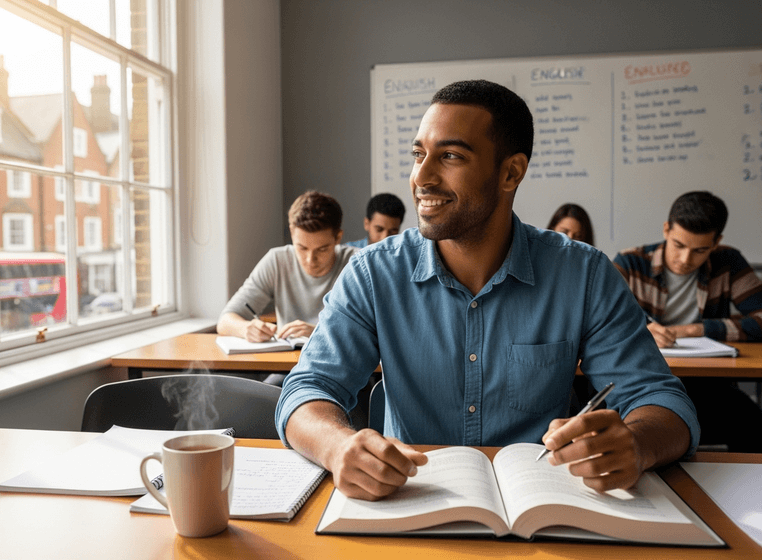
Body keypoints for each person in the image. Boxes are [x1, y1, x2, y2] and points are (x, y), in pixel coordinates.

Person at [276, 79, 698, 501]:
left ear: (511, 172)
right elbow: (306, 390)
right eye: (418, 155)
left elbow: (660, 400)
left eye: (451, 156)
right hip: (408, 503)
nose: (421, 177)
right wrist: (337, 447)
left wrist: (636, 446)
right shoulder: (373, 274)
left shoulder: (583, 274)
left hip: (543, 507)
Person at [613, 191, 762, 451]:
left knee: (753, 424)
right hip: (641, 380)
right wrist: (641, 329)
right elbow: (596, 320)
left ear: (716, 243)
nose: (685, 260)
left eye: (700, 250)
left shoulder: (728, 262)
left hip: (707, 383)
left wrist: (698, 330)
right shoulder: (630, 262)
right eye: (678, 245)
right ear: (666, 229)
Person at [217, 191, 357, 342]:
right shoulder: (277, 261)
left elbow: (377, 332)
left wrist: (320, 332)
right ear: (292, 233)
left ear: (338, 237)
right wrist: (246, 329)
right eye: (302, 248)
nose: (310, 260)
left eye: (322, 249)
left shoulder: (358, 265)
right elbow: (225, 321)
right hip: (286, 362)